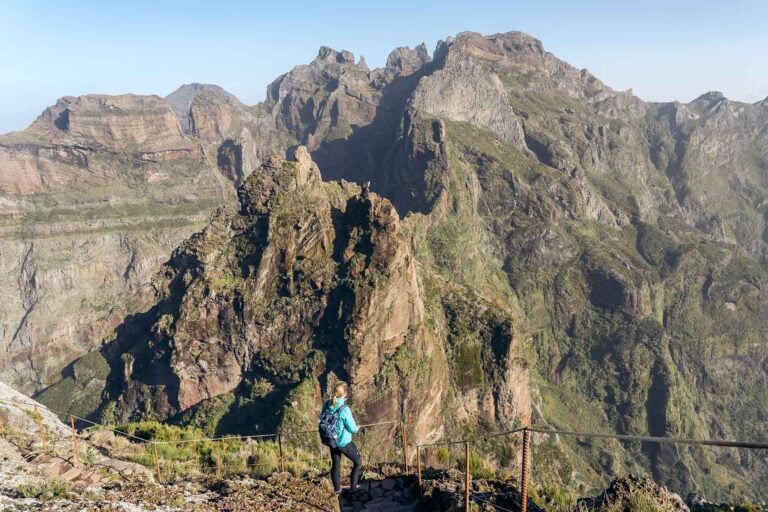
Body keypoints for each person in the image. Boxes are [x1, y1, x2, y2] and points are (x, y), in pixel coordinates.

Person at [321, 381, 362, 495]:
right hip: (344, 442)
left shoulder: (327, 404)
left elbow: (323, 418)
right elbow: (352, 429)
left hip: (331, 440)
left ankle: (337, 490)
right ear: (344, 394)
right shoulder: (344, 409)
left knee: (336, 464)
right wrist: (357, 428)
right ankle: (353, 488)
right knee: (358, 462)